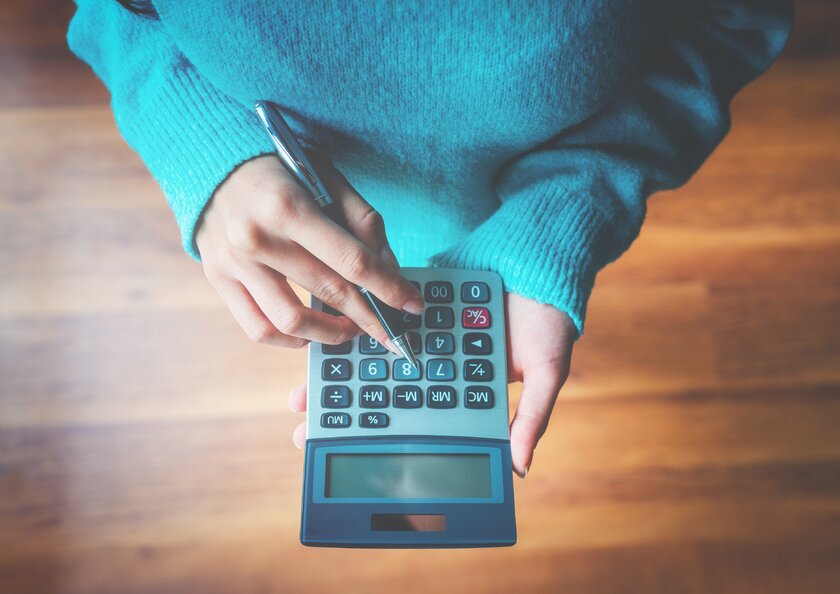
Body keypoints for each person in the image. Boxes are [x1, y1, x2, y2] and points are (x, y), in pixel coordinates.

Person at [68, 1, 793, 477]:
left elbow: (727, 23)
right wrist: (202, 145)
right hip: (309, 219)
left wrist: (563, 214)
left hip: (526, 213)